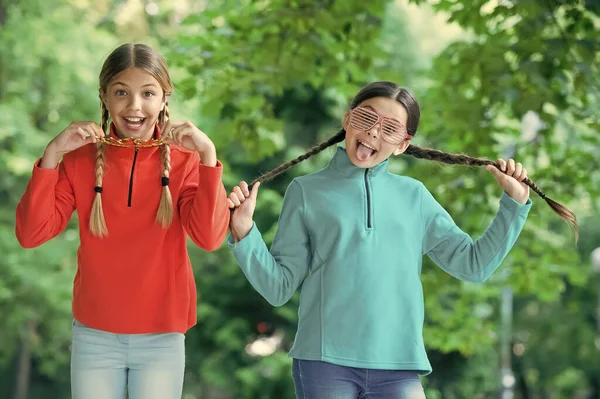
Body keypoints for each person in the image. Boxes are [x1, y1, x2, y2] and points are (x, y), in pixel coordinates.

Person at [225, 81, 577, 398]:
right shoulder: (305, 191)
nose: (374, 134)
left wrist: (513, 205)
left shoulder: (416, 197)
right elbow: (279, 287)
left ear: (402, 144)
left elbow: (474, 266)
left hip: (399, 369)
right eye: (367, 119)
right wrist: (245, 232)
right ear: (348, 120)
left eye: (390, 128)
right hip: (323, 363)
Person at [15, 43, 230, 399]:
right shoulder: (78, 159)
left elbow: (209, 238)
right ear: (104, 96)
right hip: (94, 335)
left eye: (148, 93)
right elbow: (30, 234)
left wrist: (208, 157)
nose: (134, 106)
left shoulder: (187, 159)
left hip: (162, 335)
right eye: (121, 92)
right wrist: (52, 156)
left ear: (164, 98)